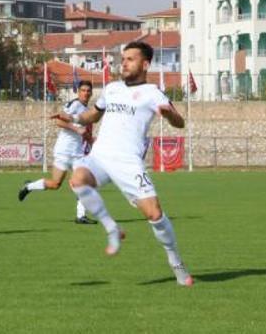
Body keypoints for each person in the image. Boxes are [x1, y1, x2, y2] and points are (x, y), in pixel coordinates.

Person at [69, 41, 193, 286]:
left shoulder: (153, 93)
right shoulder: (112, 88)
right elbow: (93, 115)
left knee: (155, 214)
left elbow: (180, 122)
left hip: (128, 163)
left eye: (130, 59)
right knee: (77, 180)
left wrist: (169, 115)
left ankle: (175, 261)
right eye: (123, 59)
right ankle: (112, 228)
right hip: (100, 156)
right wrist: (71, 117)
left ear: (145, 64)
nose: (123, 63)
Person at [18, 80, 97, 224]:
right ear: (78, 92)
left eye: (88, 91)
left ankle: (81, 216)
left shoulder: (87, 110)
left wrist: (90, 140)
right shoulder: (74, 104)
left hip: (77, 153)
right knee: (55, 184)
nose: (86, 93)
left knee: (83, 181)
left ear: (91, 93)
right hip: (64, 150)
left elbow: (83, 130)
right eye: (83, 90)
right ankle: (28, 186)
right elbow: (59, 122)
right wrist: (77, 129)